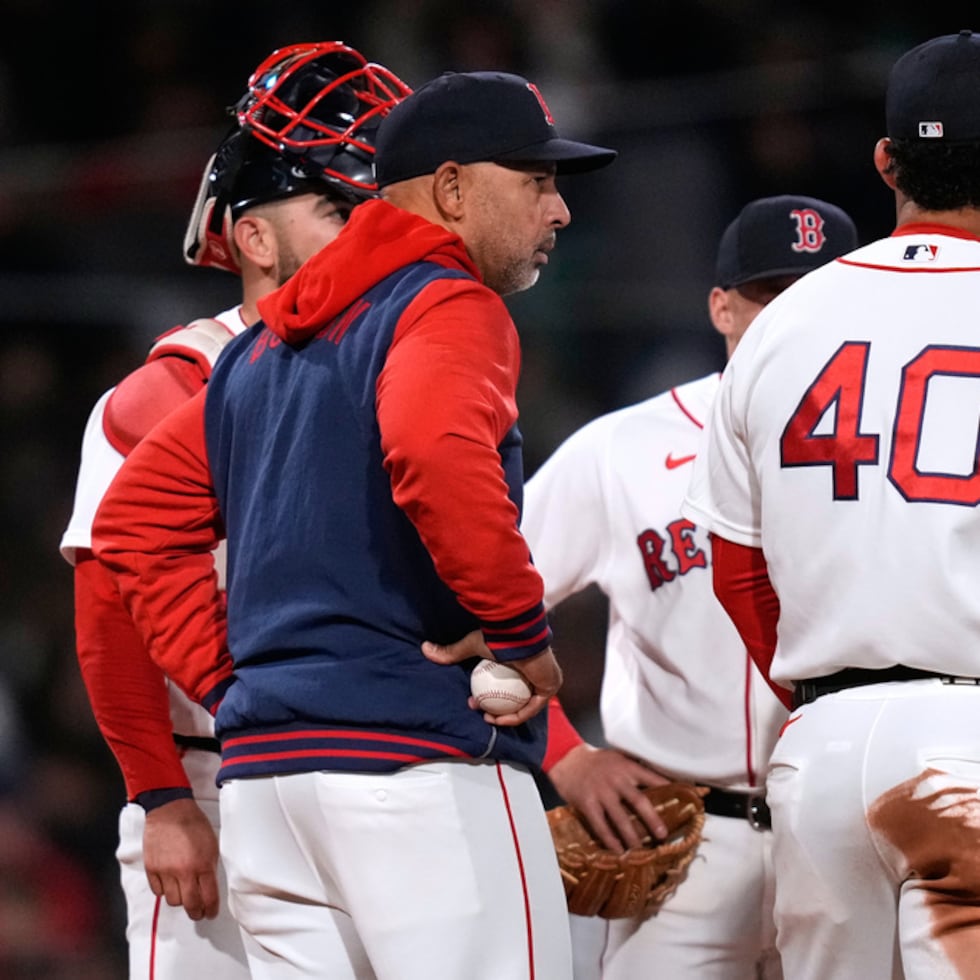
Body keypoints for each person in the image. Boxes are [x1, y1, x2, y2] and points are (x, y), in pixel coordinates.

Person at [91, 70, 617, 980]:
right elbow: (432, 449)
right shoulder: (445, 303)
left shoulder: (259, 351)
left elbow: (136, 520)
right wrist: (520, 632)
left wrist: (240, 684)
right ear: (451, 189)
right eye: (536, 180)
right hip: (412, 768)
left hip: (269, 790)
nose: (559, 209)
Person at [59, 41, 411, 979]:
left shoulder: (399, 368)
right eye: (337, 210)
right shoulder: (178, 384)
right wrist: (161, 798)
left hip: (372, 760)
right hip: (212, 775)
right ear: (254, 240)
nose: (365, 234)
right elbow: (108, 608)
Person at [682, 30, 980, 980]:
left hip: (820, 754)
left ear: (887, 161)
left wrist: (827, 698)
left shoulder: (784, 322)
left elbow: (737, 570)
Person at [522, 194, 859, 979]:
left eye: (818, 295)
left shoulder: (897, 451)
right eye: (770, 295)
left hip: (841, 833)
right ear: (720, 308)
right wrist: (564, 754)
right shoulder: (622, 448)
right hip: (681, 842)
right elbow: (471, 606)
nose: (794, 318)